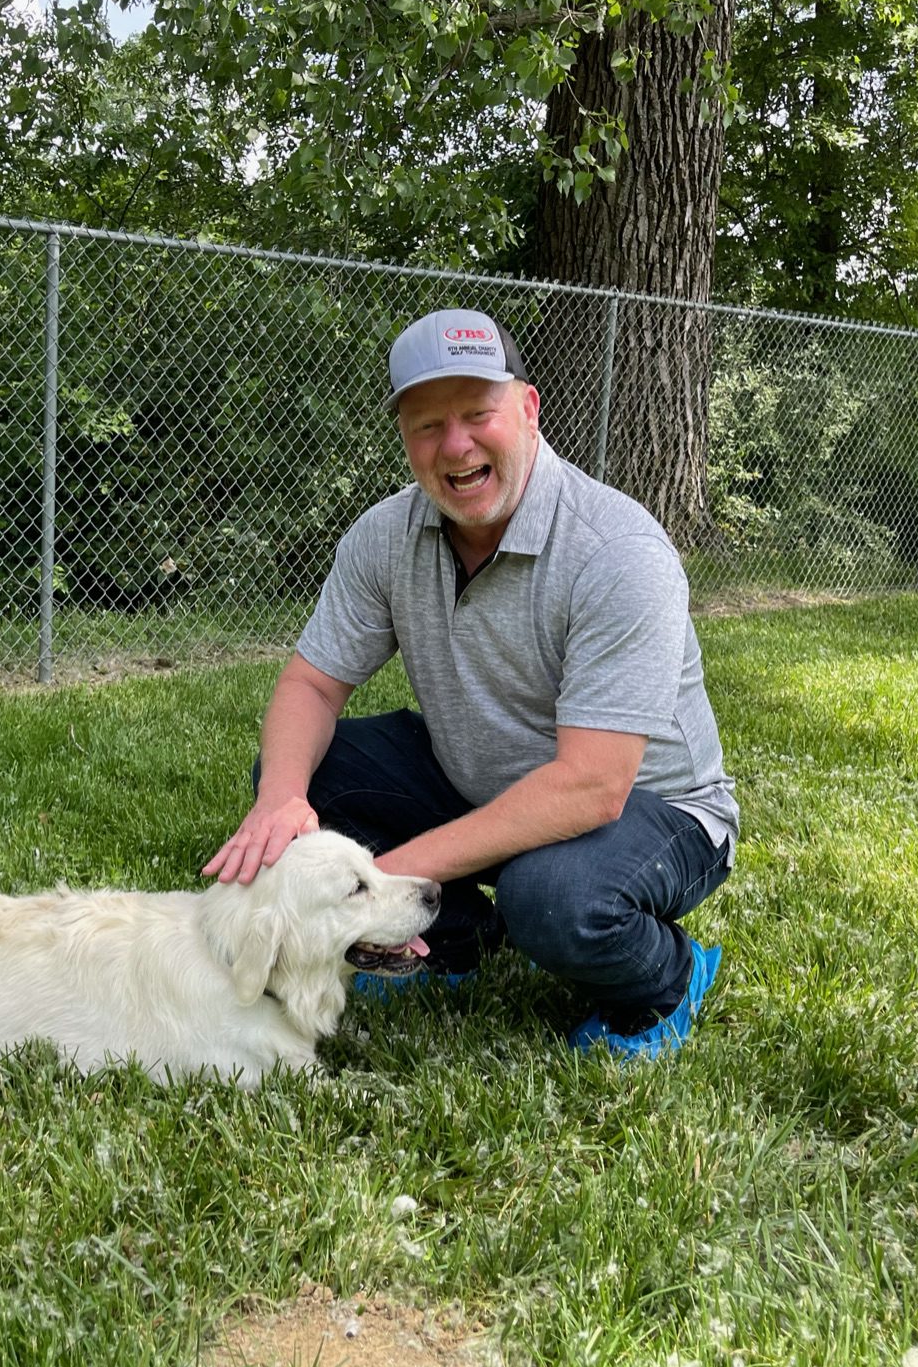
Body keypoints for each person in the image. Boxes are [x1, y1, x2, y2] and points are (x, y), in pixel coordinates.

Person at [202, 308, 738, 1058]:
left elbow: (591, 787)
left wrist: (373, 882)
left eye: (477, 414)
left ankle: (667, 980)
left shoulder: (618, 550)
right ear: (404, 439)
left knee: (549, 898)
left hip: (652, 812)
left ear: (527, 409)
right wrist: (280, 799)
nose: (454, 446)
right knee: (301, 772)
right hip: (482, 779)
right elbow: (311, 688)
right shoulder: (385, 536)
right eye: (426, 425)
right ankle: (452, 940)